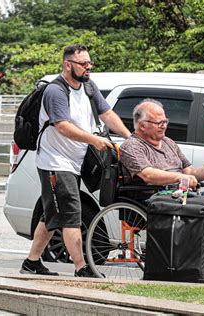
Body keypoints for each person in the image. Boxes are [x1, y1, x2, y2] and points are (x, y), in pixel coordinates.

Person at [20, 44, 131, 277]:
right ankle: (82, 267)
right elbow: (62, 127)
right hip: (55, 163)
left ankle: (32, 262)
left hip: (75, 161)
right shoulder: (56, 91)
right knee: (71, 213)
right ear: (67, 65)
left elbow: (107, 113)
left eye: (89, 63)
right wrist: (93, 140)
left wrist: (129, 137)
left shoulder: (89, 87)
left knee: (52, 215)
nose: (88, 67)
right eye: (83, 64)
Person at [120, 98, 204, 279]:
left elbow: (191, 171)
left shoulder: (168, 143)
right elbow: (148, 175)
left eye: (165, 121)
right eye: (158, 122)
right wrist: (180, 177)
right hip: (153, 197)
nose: (164, 126)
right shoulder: (132, 146)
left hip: (178, 194)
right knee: (200, 206)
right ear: (142, 125)